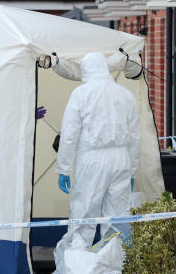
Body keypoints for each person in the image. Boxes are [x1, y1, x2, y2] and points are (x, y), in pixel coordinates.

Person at [55, 51, 141, 246]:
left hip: (92, 160)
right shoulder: (125, 95)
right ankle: (115, 268)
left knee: (84, 215)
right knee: (118, 219)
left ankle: (78, 266)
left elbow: (69, 135)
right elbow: (135, 137)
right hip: (122, 160)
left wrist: (64, 168)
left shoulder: (81, 94)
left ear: (86, 70)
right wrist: (132, 171)